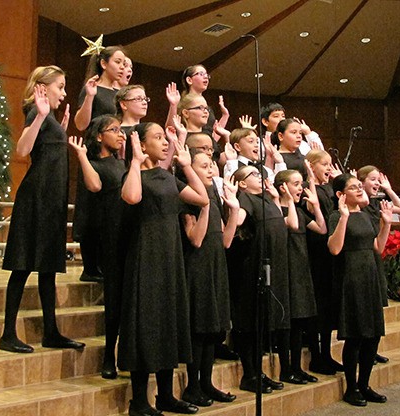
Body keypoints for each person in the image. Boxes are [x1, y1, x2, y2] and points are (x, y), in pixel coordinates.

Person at [118, 122, 208, 416]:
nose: (165, 142)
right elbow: (131, 197)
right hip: (146, 256)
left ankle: (166, 396)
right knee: (145, 325)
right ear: (142, 145)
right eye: (158, 137)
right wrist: (134, 161)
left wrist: (186, 166)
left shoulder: (169, 178)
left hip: (170, 258)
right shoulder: (135, 175)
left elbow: (203, 199)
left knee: (168, 322)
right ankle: (139, 401)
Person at [0, 65, 85, 353]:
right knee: (23, 265)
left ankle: (51, 331)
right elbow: (23, 150)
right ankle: (8, 333)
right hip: (36, 199)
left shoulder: (50, 117)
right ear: (43, 86)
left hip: (51, 201)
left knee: (47, 268)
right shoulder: (35, 111)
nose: (63, 92)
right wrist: (42, 116)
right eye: (59, 86)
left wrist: (58, 127)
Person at [228, 165, 296, 393]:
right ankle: (250, 374)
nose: (261, 176)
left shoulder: (266, 199)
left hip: (273, 268)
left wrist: (276, 197)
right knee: (251, 323)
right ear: (242, 183)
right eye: (254, 174)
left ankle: (260, 372)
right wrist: (234, 202)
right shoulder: (246, 198)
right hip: (254, 268)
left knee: (263, 324)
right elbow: (239, 220)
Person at [67, 115, 126, 379]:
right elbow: (94, 185)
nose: (121, 134)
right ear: (99, 136)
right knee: (113, 303)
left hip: (129, 237)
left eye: (121, 130)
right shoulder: (94, 164)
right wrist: (80, 155)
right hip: (110, 241)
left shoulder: (124, 163)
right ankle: (108, 358)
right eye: (114, 130)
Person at [327, 173, 392, 407]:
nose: (359, 189)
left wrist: (386, 224)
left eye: (358, 186)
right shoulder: (336, 216)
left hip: (370, 276)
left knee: (372, 335)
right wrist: (344, 218)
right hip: (350, 278)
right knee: (355, 336)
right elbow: (334, 249)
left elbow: (377, 247)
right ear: (340, 195)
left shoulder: (365, 216)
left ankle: (365, 384)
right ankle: (351, 387)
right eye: (353, 187)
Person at [180, 152, 239, 407]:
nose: (211, 168)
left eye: (211, 164)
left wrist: (234, 210)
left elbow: (226, 240)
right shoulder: (191, 199)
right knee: (199, 329)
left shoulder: (214, 195)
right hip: (197, 268)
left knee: (213, 329)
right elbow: (195, 238)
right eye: (203, 166)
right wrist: (204, 207)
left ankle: (207, 382)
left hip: (216, 266)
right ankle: (192, 386)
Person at [73, 45, 127, 283]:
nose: (123, 67)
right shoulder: (92, 88)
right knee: (92, 208)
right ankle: (91, 266)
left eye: (125, 63)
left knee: (111, 210)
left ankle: (107, 262)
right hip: (94, 154)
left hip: (114, 156)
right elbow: (81, 124)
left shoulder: (121, 93)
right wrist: (90, 97)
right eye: (118, 62)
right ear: (104, 64)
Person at [274, 167, 327, 384]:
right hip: (285, 270)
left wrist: (315, 206)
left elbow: (322, 229)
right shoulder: (277, 210)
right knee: (287, 323)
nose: (301, 188)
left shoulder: (300, 211)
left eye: (301, 183)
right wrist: (285, 200)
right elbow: (292, 224)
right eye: (296, 184)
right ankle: (286, 369)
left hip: (301, 269)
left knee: (299, 322)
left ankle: (296, 367)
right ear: (283, 187)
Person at [358, 165, 400, 364]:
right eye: (373, 179)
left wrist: (388, 189)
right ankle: (364, 350)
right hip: (364, 255)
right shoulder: (360, 204)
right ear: (361, 182)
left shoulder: (377, 203)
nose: (376, 183)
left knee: (377, 305)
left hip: (375, 257)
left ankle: (372, 350)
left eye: (378, 180)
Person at [305, 149, 343, 374]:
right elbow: (311, 209)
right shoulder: (310, 190)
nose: (328, 168)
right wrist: (310, 179)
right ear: (311, 166)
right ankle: (315, 356)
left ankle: (327, 354)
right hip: (316, 252)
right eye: (324, 164)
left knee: (328, 307)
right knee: (317, 305)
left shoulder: (330, 188)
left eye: (330, 164)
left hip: (331, 252)